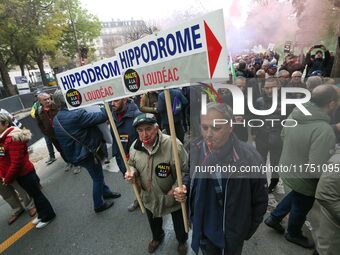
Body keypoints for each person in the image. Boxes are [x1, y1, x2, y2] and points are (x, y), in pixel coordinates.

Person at [174, 103, 268, 255]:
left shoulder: (249, 158)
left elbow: (260, 201)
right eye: (204, 127)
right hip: (202, 228)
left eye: (216, 128)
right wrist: (183, 187)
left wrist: (242, 232)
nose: (208, 134)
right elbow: (188, 175)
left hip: (230, 237)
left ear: (231, 126)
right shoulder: (196, 148)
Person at [264, 85, 339, 249]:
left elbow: (284, 134)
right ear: (331, 104)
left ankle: (274, 217)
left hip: (288, 166)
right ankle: (293, 233)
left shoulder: (297, 113)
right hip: (305, 177)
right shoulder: (323, 130)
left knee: (296, 195)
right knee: (301, 204)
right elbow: (316, 168)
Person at [125, 113, 188, 254]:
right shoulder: (134, 147)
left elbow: (186, 170)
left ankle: (182, 240)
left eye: (148, 129)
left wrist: (178, 187)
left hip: (172, 197)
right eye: (140, 131)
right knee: (153, 222)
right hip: (149, 196)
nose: (144, 135)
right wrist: (132, 172)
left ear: (157, 128)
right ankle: (157, 237)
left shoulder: (173, 145)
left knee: (180, 223)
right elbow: (131, 164)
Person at [53, 90, 120, 213]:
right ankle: (98, 205)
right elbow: (101, 116)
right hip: (86, 154)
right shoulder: (76, 115)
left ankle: (105, 192)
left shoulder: (57, 117)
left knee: (96, 175)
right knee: (97, 178)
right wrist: (109, 104)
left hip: (76, 154)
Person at [0, 113, 56, 229]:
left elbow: (16, 163)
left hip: (26, 174)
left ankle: (48, 215)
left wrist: (8, 178)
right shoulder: (4, 138)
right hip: (21, 175)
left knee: (37, 195)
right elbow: (3, 158)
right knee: (34, 195)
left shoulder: (13, 138)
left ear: (5, 123)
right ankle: (41, 215)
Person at [253, 78, 285, 193]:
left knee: (275, 163)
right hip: (262, 137)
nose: (270, 90)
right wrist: (254, 133)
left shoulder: (286, 101)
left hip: (278, 138)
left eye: (273, 87)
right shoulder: (259, 101)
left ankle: (274, 182)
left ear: (279, 87)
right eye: (267, 88)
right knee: (260, 161)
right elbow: (255, 118)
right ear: (263, 88)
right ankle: (261, 182)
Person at [110, 98, 141, 211]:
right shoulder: (112, 116)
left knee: (144, 181)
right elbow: (114, 138)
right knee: (133, 180)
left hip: (138, 157)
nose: (112, 103)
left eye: (115, 100)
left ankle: (149, 200)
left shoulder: (136, 115)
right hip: (123, 157)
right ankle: (139, 198)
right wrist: (117, 155)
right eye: (111, 101)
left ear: (124, 99)